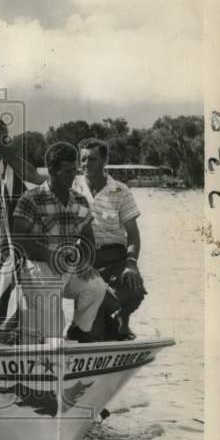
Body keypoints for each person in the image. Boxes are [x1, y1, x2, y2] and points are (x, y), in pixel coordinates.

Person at [11, 142, 107, 344]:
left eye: (74, 170)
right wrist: (48, 254)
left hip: (68, 267)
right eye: (66, 171)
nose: (72, 176)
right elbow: (19, 238)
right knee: (53, 336)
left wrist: (85, 261)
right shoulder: (31, 199)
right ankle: (50, 341)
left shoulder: (78, 200)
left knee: (96, 286)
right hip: (40, 270)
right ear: (52, 171)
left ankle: (78, 332)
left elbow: (88, 237)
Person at [75, 138, 146, 339]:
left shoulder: (120, 191)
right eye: (83, 159)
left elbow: (133, 234)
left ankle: (122, 318)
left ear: (104, 160)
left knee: (134, 290)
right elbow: (33, 175)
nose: (86, 164)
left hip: (116, 257)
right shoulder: (71, 184)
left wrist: (131, 263)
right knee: (91, 335)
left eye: (93, 159)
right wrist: (4, 147)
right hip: (85, 260)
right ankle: (106, 320)